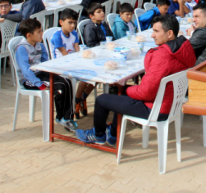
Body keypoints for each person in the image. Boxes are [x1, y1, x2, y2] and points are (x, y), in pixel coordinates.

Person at [76, 15, 196, 145]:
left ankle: (98, 135)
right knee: (120, 93)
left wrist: (127, 90)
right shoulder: (182, 49)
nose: (152, 36)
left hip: (155, 108)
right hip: (169, 104)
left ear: (169, 34)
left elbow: (146, 92)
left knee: (103, 99)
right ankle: (112, 133)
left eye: (156, 32)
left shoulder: (163, 55)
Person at [15, 19, 77, 132]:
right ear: (29, 35)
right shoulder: (21, 49)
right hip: (29, 79)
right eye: (39, 32)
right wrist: (39, 84)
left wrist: (55, 72)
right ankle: (60, 117)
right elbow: (26, 71)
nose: (41, 34)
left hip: (41, 73)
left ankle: (67, 117)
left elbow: (46, 63)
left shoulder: (40, 45)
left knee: (67, 82)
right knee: (59, 87)